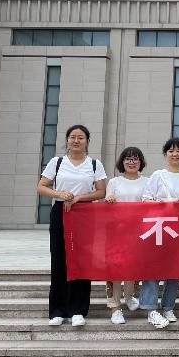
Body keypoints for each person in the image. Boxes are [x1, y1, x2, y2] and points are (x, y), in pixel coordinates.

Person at [37, 124, 107, 327]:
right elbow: (41, 187)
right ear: (67, 141)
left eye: (81, 137)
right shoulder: (57, 162)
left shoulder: (94, 164)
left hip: (85, 213)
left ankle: (78, 310)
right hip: (61, 210)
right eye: (73, 137)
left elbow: (101, 192)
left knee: (82, 260)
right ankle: (57, 310)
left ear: (87, 142)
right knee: (59, 258)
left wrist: (78, 198)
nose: (76, 141)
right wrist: (61, 194)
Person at [140, 137, 179, 329]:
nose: (175, 154)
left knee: (175, 269)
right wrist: (164, 204)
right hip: (157, 228)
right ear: (165, 154)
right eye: (171, 151)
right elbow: (146, 200)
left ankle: (168, 307)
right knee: (152, 268)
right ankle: (150, 310)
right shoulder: (158, 175)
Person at [104, 146, 149, 324]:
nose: (132, 162)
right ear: (122, 162)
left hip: (138, 232)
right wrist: (109, 200)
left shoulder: (147, 181)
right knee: (115, 269)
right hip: (116, 232)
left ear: (141, 162)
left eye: (135, 159)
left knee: (134, 266)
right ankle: (115, 307)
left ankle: (130, 296)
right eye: (128, 159)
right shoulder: (114, 182)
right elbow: (107, 205)